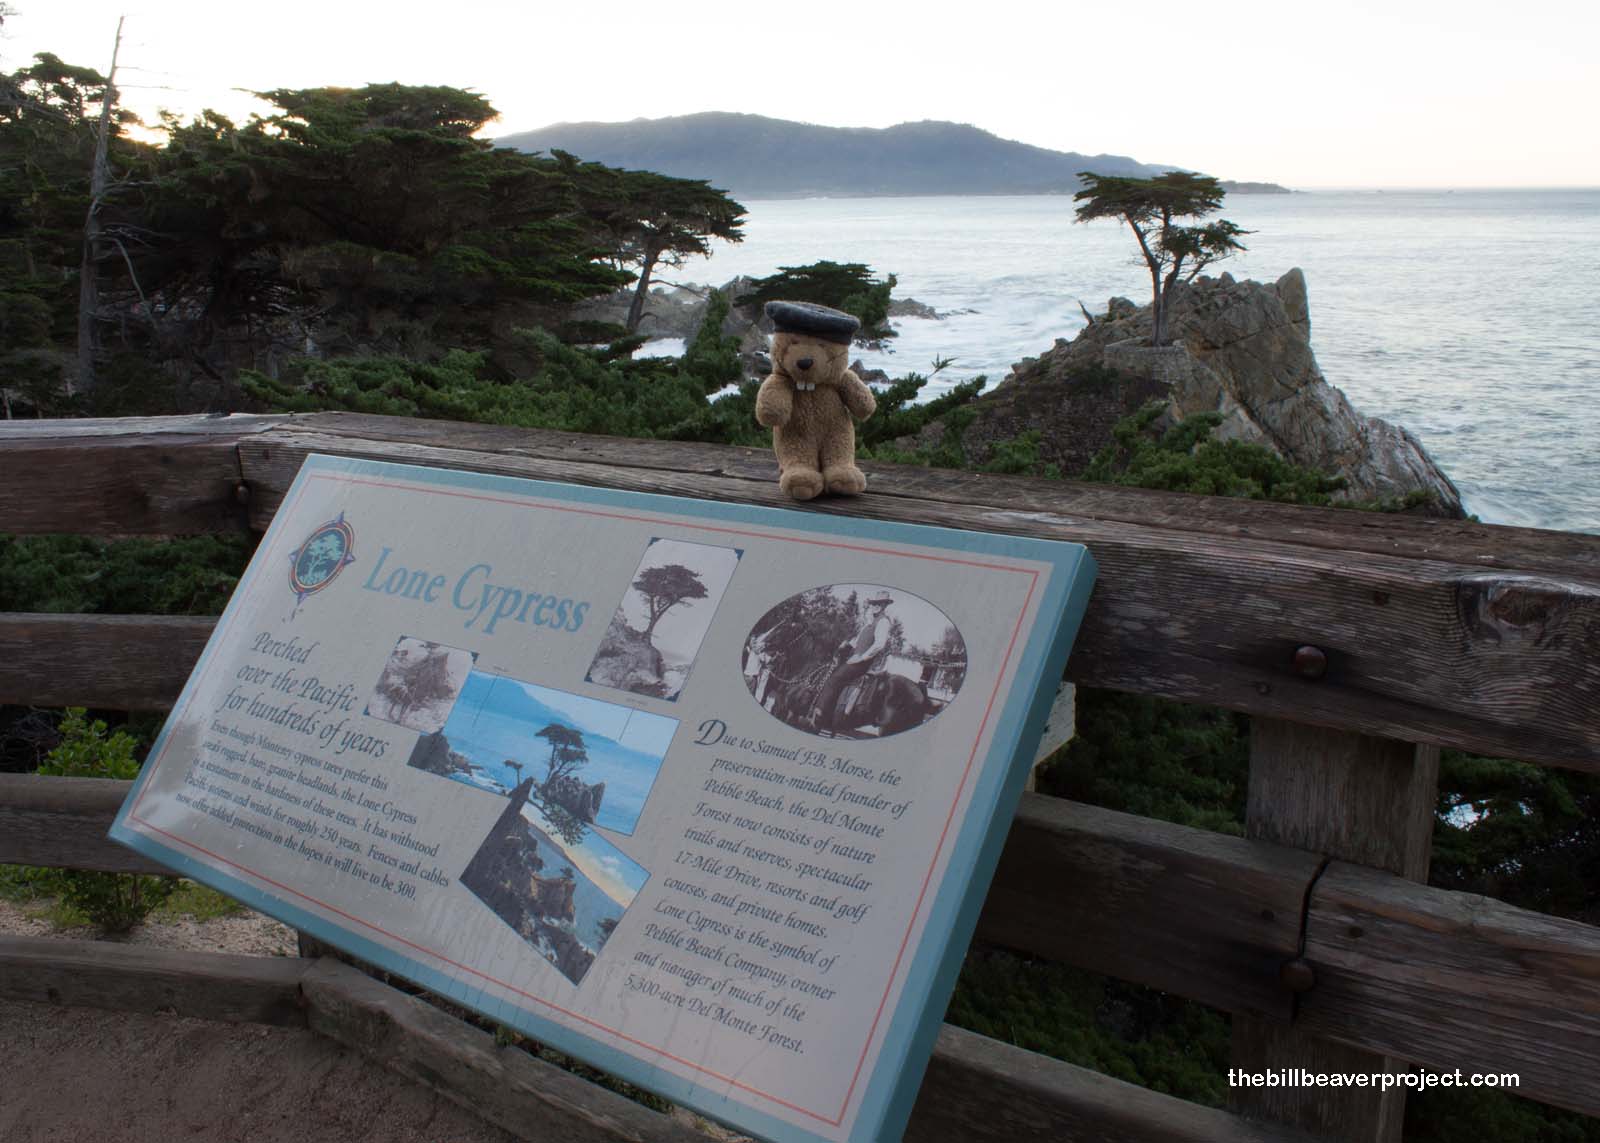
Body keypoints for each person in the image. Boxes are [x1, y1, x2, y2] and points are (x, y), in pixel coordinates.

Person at [812, 592, 893, 735]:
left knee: (836, 678)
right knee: (830, 668)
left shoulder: (883, 621)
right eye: (874, 603)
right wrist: (847, 644)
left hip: (863, 662)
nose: (875, 606)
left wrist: (861, 658)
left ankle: (820, 713)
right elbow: (858, 640)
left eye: (879, 604)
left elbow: (879, 644)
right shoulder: (869, 622)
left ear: (884, 606)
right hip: (855, 657)